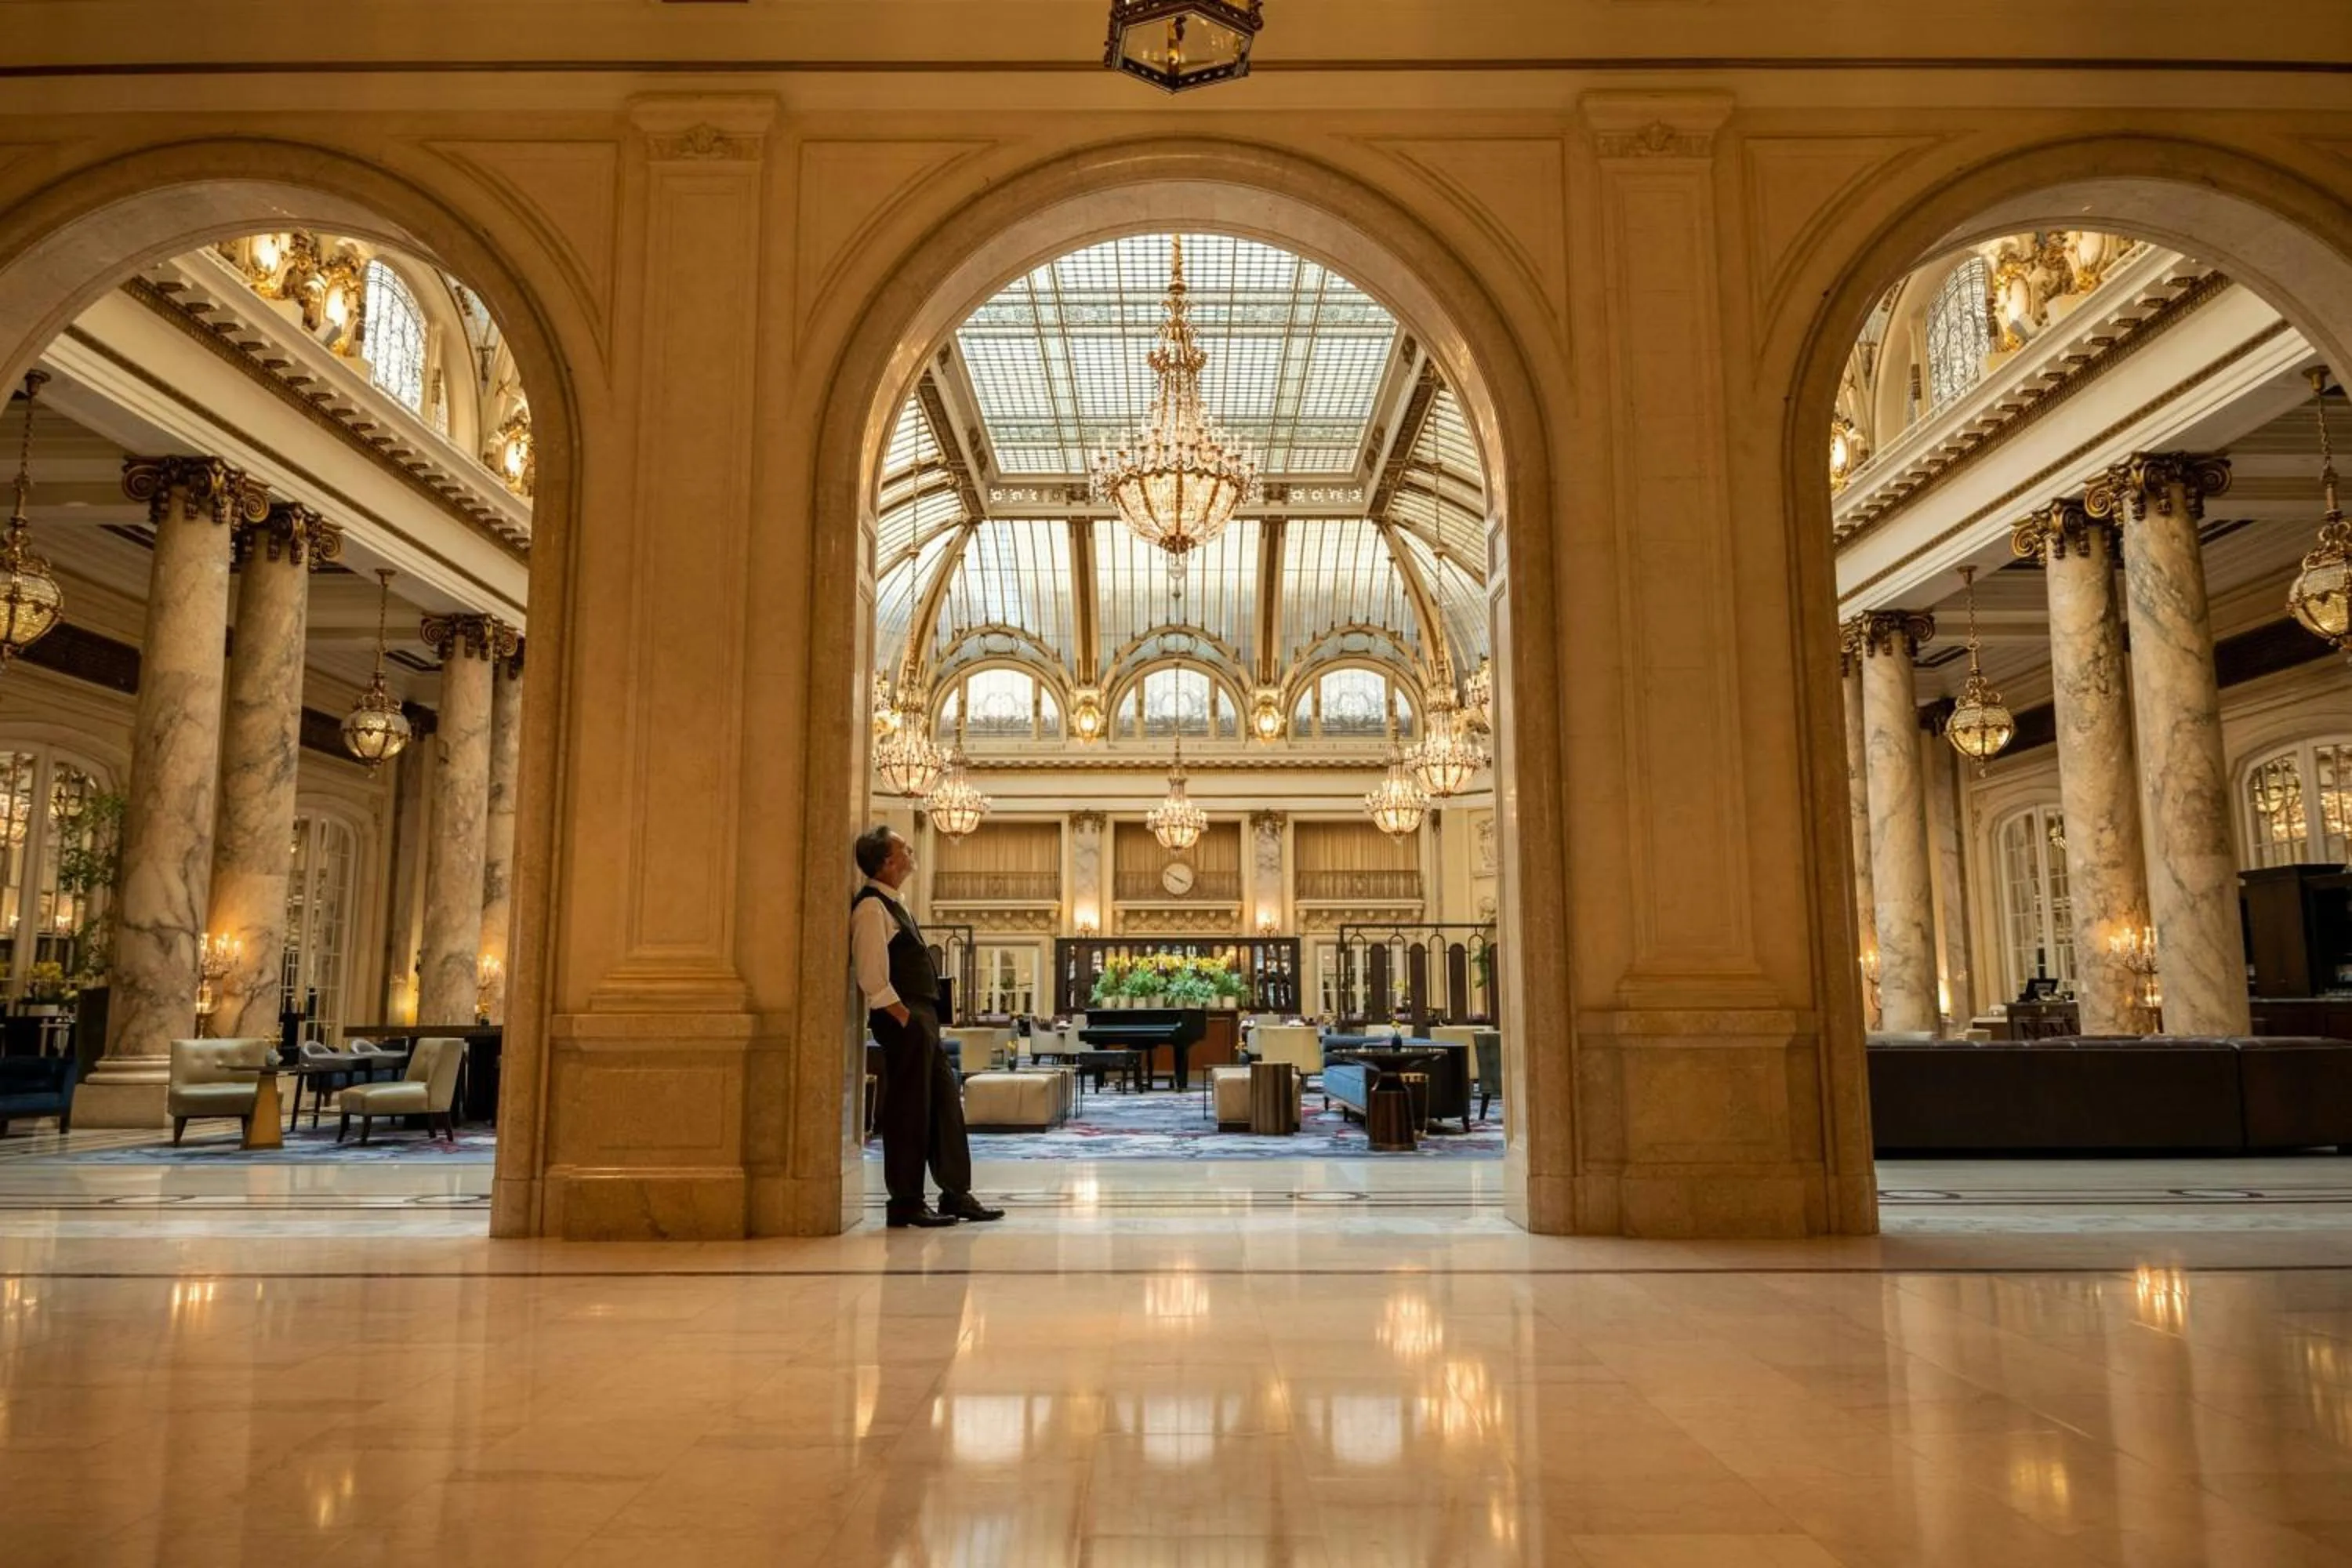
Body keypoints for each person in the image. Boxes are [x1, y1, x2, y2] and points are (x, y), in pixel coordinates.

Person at [851, 826, 1005, 1229]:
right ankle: (905, 1201)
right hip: (905, 1020)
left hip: (922, 1020)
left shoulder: (894, 903)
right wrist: (904, 1017)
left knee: (944, 1106)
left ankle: (956, 1193)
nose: (910, 853)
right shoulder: (871, 908)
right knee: (909, 1112)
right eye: (904, 849)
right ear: (887, 861)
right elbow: (871, 976)